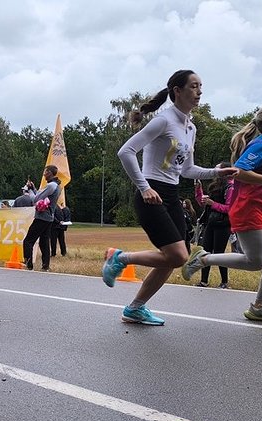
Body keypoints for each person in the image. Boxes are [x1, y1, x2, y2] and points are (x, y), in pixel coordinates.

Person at [103, 70, 236, 326]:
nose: (199, 92)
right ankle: (119, 258)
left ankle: (135, 308)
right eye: (193, 86)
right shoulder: (163, 121)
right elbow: (126, 151)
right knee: (177, 256)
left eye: (201, 87)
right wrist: (143, 187)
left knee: (174, 257)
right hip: (151, 191)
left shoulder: (190, 127)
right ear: (177, 91)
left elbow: (187, 170)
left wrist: (218, 172)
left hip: (172, 193)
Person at [183, 103, 262, 323]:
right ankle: (203, 258)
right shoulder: (261, 144)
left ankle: (260, 306)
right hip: (249, 205)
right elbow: (239, 173)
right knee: (256, 261)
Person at [194, 164, 234, 288]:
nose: (215, 170)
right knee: (205, 251)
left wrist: (213, 204)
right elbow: (202, 202)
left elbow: (230, 208)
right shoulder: (214, 186)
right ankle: (204, 281)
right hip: (210, 223)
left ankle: (224, 282)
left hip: (223, 224)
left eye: (218, 168)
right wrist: (198, 190)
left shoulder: (230, 188)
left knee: (219, 253)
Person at [22, 166, 62, 271]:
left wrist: (29, 190)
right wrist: (34, 189)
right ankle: (45, 266)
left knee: (28, 241)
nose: (44, 174)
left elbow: (35, 199)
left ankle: (28, 263)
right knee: (44, 242)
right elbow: (41, 196)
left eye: (45, 171)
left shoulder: (50, 185)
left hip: (42, 217)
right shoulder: (56, 185)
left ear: (50, 173)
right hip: (49, 218)